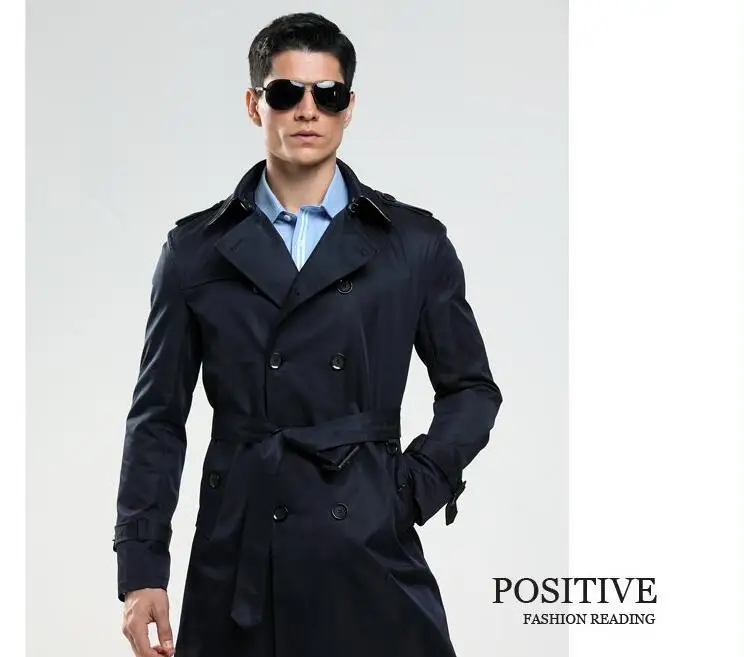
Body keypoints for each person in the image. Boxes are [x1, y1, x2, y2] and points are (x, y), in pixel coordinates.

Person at [113, 12, 502, 657]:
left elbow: (471, 389)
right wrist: (141, 566)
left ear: (349, 107)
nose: (307, 110)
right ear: (254, 104)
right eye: (286, 92)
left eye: (328, 94)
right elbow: (157, 419)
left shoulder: (412, 243)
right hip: (242, 540)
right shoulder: (194, 251)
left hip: (368, 540)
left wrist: (409, 489)